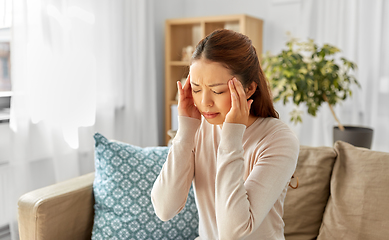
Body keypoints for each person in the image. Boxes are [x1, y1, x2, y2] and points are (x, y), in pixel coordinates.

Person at [151, 29, 299, 240]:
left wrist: (231, 137)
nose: (204, 102)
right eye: (196, 88)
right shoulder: (199, 128)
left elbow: (233, 233)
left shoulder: (278, 140)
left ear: (249, 90)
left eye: (217, 90)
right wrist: (185, 131)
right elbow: (165, 209)